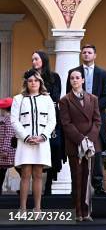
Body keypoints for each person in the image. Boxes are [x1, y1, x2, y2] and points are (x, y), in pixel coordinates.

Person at [67, 45, 106, 196]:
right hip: (78, 119)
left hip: (97, 118)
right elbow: (69, 96)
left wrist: (91, 108)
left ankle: (98, 184)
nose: (86, 54)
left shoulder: (103, 74)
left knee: (96, 151)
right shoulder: (73, 73)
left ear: (95, 55)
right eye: (84, 52)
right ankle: (78, 186)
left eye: (89, 52)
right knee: (77, 149)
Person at [11, 69, 56, 212]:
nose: (33, 83)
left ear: (40, 82)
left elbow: (52, 121)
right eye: (30, 81)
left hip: (41, 142)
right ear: (26, 83)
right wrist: (26, 137)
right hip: (25, 142)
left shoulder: (47, 98)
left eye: (36, 80)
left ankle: (38, 208)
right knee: (25, 174)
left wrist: (42, 136)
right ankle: (22, 208)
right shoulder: (18, 99)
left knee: (38, 175)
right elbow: (14, 121)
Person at [59, 69, 101, 221]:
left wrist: (89, 139)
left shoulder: (93, 99)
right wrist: (80, 139)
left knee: (88, 177)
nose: (75, 80)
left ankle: (87, 211)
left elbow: (97, 121)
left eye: (77, 78)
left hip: (90, 144)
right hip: (74, 144)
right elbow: (66, 123)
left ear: (83, 80)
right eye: (72, 78)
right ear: (70, 81)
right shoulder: (65, 100)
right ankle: (78, 211)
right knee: (77, 178)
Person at [32, 51, 64, 195]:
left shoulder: (54, 77)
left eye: (36, 59)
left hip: (52, 117)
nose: (34, 62)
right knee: (32, 149)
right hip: (34, 117)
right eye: (32, 59)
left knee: (54, 147)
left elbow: (56, 97)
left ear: (43, 60)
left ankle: (49, 183)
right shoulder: (29, 76)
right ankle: (35, 186)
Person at [0, 97, 16, 195]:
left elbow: (8, 135)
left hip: (6, 151)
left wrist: (4, 150)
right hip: (5, 150)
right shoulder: (5, 119)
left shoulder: (9, 119)